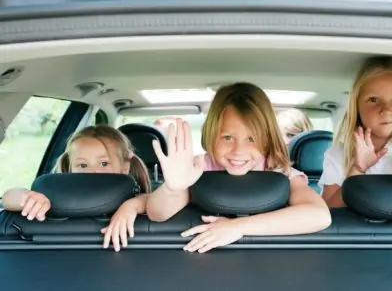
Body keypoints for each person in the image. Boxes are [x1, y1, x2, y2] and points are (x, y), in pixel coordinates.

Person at [146, 82, 331, 253]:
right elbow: (157, 214)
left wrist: (238, 226)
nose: (238, 151)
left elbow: (319, 215)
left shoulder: (280, 171)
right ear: (211, 135)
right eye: (227, 138)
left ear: (267, 139)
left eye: (252, 139)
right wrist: (173, 189)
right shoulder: (198, 168)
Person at [2, 125, 151, 252]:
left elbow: (149, 200)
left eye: (104, 164)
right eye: (82, 165)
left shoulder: (134, 200)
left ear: (125, 167)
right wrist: (27, 196)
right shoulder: (50, 199)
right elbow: (7, 199)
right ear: (70, 168)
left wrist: (131, 206)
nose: (93, 172)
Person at [319, 56, 392, 208]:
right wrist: (357, 169)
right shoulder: (339, 154)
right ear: (356, 104)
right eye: (373, 100)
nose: (386, 110)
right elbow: (329, 210)